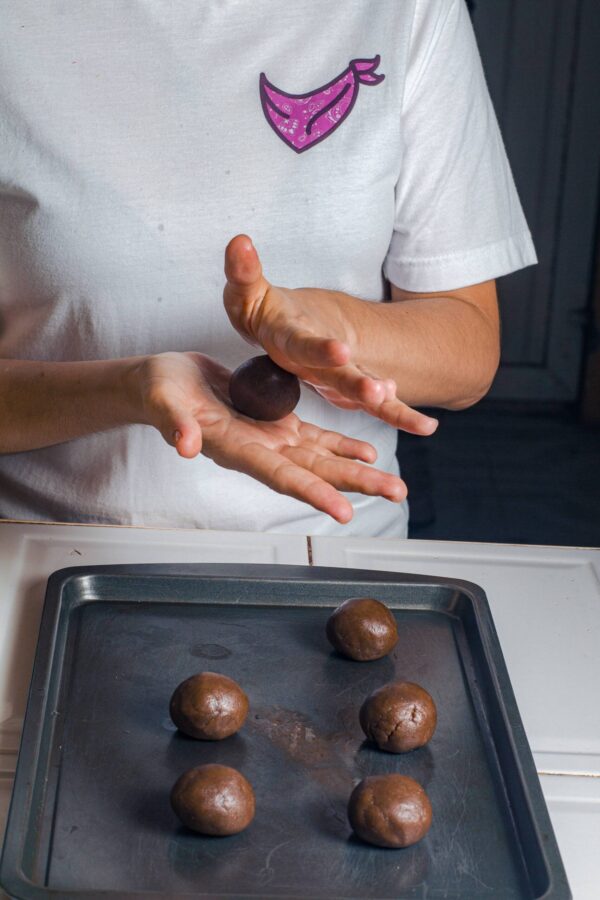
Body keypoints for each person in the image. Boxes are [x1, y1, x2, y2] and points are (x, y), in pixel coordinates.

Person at [0, 0, 536, 537]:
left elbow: (469, 348)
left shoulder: (408, 11)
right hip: (43, 553)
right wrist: (127, 389)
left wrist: (330, 326)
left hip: (332, 553)